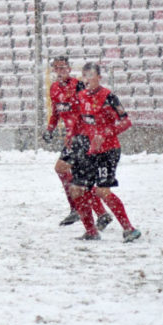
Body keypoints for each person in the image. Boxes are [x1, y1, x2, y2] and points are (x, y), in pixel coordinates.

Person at [68, 62, 141, 242]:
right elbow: (79, 120)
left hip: (108, 151)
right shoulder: (81, 96)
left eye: (91, 76)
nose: (87, 80)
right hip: (89, 149)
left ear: (99, 78)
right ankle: (91, 231)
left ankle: (129, 229)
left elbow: (126, 121)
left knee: (101, 191)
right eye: (85, 76)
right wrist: (71, 135)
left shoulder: (109, 97)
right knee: (77, 188)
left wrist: (106, 133)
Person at [43, 56, 112, 230]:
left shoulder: (78, 85)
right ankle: (95, 212)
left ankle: (88, 211)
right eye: (57, 68)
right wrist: (50, 129)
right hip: (71, 138)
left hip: (82, 137)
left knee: (74, 176)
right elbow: (56, 113)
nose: (60, 71)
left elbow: (88, 110)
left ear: (69, 68)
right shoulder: (54, 88)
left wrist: (86, 131)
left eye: (63, 67)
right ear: (53, 70)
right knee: (73, 176)